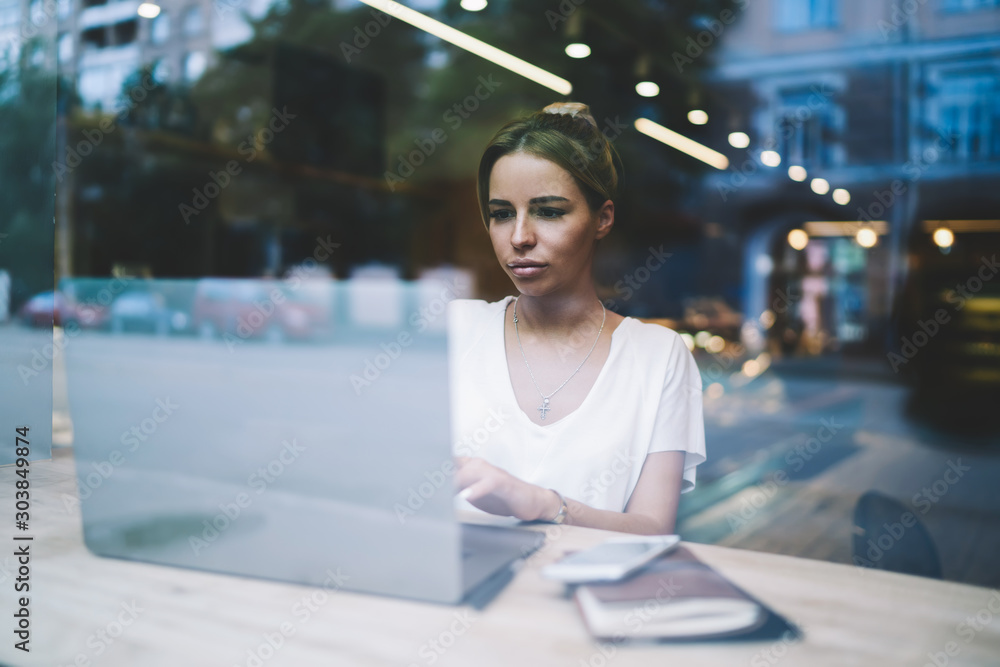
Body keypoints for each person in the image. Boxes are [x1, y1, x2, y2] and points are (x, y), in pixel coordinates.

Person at [449, 101, 706, 535]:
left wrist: (544, 505)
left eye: (549, 211)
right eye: (501, 214)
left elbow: (652, 529)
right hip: (452, 597)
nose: (519, 237)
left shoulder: (657, 356)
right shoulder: (454, 331)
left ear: (602, 218)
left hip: (581, 600)